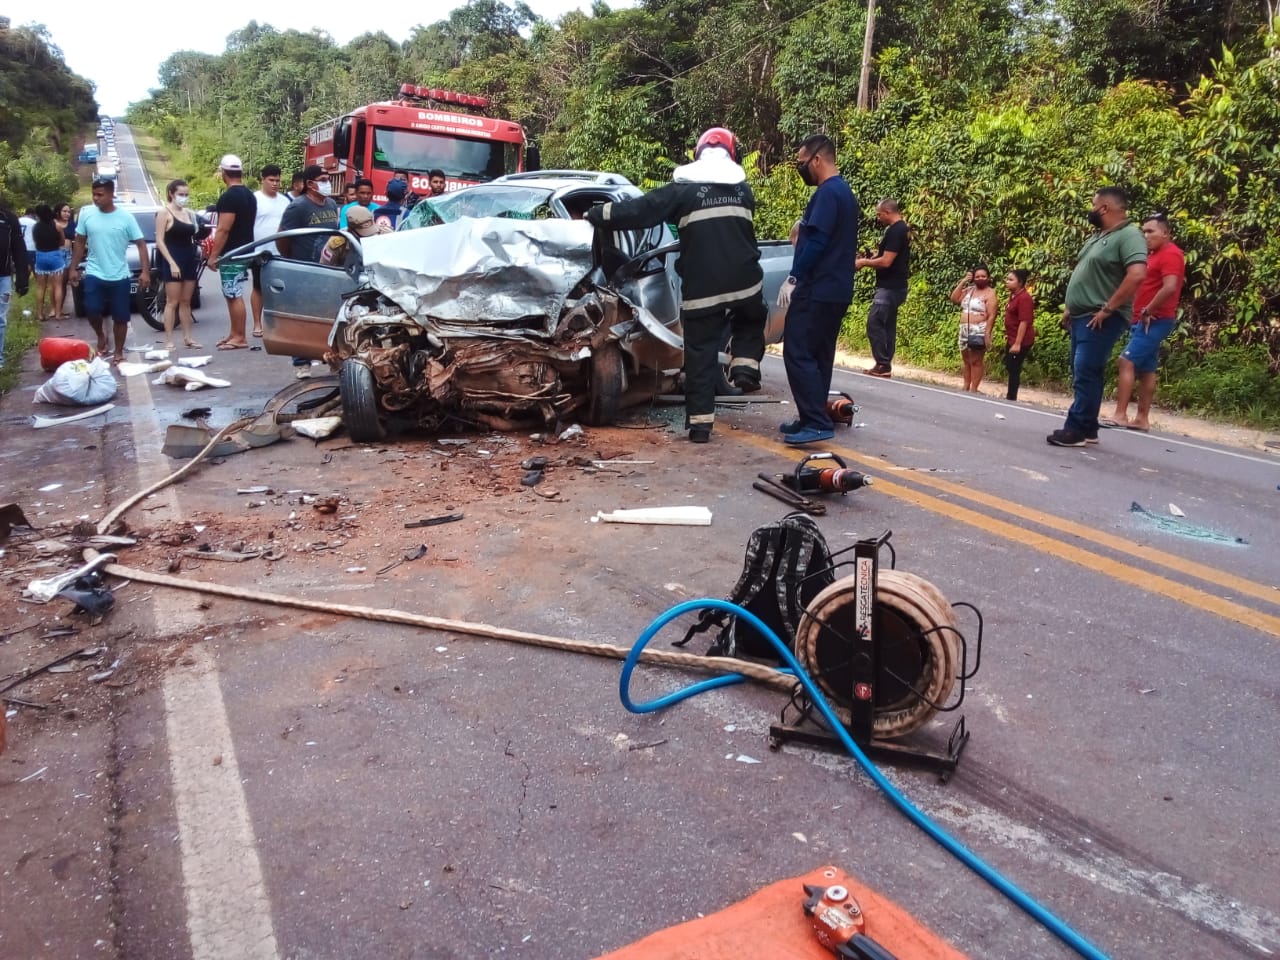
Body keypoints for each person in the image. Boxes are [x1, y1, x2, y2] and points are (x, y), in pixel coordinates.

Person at [586, 126, 766, 444]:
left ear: (698, 155)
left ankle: (700, 427)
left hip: (703, 289)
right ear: (733, 154)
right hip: (745, 282)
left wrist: (598, 213)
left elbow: (640, 211)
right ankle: (745, 370)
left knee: (700, 353)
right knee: (751, 318)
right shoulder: (744, 191)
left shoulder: (682, 192)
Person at [774, 135, 860, 445]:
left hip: (818, 288)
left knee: (797, 351)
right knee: (820, 354)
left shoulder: (827, 194)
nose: (800, 169)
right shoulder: (845, 193)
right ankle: (812, 417)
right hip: (837, 289)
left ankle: (815, 420)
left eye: (801, 163)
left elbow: (818, 241)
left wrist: (794, 277)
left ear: (817, 160)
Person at [1047, 186, 1147, 447]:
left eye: (1093, 205)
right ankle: (1089, 428)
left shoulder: (1129, 236)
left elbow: (1136, 274)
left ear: (1104, 208)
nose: (1090, 210)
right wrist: (1071, 307)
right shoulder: (1099, 236)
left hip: (1101, 316)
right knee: (1085, 370)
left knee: (1086, 370)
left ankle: (1075, 429)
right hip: (1082, 315)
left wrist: (1108, 308)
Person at [1104, 213, 1185, 432]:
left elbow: (1169, 287)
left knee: (1126, 361)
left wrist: (1149, 309)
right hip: (1142, 319)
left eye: (1151, 231)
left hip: (1156, 319)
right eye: (1144, 231)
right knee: (1147, 369)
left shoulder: (1171, 254)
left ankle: (1120, 414)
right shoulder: (1152, 255)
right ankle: (1142, 418)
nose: (1146, 235)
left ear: (1166, 233)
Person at [70, 177, 150, 363]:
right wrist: (73, 268)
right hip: (94, 272)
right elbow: (80, 241)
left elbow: (141, 244)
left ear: (111, 194)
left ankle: (119, 351)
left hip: (119, 275)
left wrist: (145, 271)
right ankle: (100, 335)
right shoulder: (87, 214)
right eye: (93, 194)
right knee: (91, 309)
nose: (96, 198)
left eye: (100, 194)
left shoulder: (126, 217)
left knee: (121, 317)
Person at [205, 154, 257, 350]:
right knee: (231, 293)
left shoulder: (229, 197)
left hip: (232, 253)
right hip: (246, 249)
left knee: (233, 294)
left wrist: (213, 255)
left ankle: (240, 337)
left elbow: (223, 229)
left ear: (224, 173)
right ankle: (234, 333)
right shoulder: (249, 195)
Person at [854, 199, 910, 377]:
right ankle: (884, 364)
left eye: (879, 214)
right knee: (887, 326)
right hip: (896, 286)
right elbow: (886, 257)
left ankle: (883, 363)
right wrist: (871, 257)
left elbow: (886, 261)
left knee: (875, 322)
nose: (878, 218)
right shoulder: (900, 229)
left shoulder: (896, 231)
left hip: (890, 288)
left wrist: (864, 262)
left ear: (887, 212)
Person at [154, 179, 201, 351]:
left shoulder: (188, 213)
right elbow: (159, 240)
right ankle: (169, 340)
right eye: (181, 194)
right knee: (172, 301)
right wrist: (172, 262)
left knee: (186, 301)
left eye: (186, 195)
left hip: (189, 257)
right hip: (173, 258)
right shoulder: (164, 213)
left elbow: (196, 232)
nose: (184, 198)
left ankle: (188, 337)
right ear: (171, 194)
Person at [251, 164, 291, 337]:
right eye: (271, 180)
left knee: (280, 288)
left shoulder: (285, 201)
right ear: (263, 180)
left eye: (277, 180)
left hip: (280, 252)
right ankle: (257, 324)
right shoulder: (254, 199)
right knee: (258, 287)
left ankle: (277, 324)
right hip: (260, 251)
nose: (275, 183)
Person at [949, 264, 998, 392]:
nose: (980, 278)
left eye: (983, 276)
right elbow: (954, 298)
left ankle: (974, 388)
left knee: (976, 360)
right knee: (966, 359)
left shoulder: (990, 293)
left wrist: (987, 333)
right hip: (964, 329)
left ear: (988, 277)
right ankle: (966, 385)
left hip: (979, 329)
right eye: (977, 276)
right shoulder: (969, 290)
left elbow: (992, 315)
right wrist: (964, 281)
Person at [278, 164, 340, 262]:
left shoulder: (331, 204)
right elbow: (282, 238)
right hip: (305, 267)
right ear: (310, 184)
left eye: (329, 180)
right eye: (323, 180)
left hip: (327, 265)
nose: (328, 183)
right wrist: (290, 259)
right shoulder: (298, 206)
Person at [0, 198, 31, 366]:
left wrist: (22, 279)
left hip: (3, 277)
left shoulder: (8, 218)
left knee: (0, 319)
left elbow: (19, 249)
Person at [1001, 269, 1035, 401]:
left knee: (1014, 368)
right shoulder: (1014, 295)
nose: (1007, 282)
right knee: (1010, 365)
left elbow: (1024, 322)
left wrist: (1017, 343)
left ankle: (1011, 397)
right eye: (1007, 279)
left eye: (1011, 280)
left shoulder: (1025, 298)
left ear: (1020, 282)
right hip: (1012, 337)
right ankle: (1010, 394)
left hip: (1021, 340)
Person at [31, 205, 66, 322]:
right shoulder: (57, 226)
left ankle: (40, 314)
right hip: (55, 255)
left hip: (40, 256)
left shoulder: (35, 227)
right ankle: (57, 313)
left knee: (41, 287)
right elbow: (62, 241)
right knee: (58, 286)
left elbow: (35, 241)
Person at [320, 204, 387, 265]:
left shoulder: (385, 235)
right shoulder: (337, 243)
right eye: (363, 234)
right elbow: (325, 269)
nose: (368, 236)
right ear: (351, 230)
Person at [56, 202, 76, 314]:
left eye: (69, 212)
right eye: (64, 211)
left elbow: (78, 238)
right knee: (56, 283)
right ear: (58, 212)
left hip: (68, 254)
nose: (67, 214)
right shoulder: (53, 223)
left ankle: (60, 309)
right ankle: (55, 309)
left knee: (63, 282)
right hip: (55, 254)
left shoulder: (72, 224)